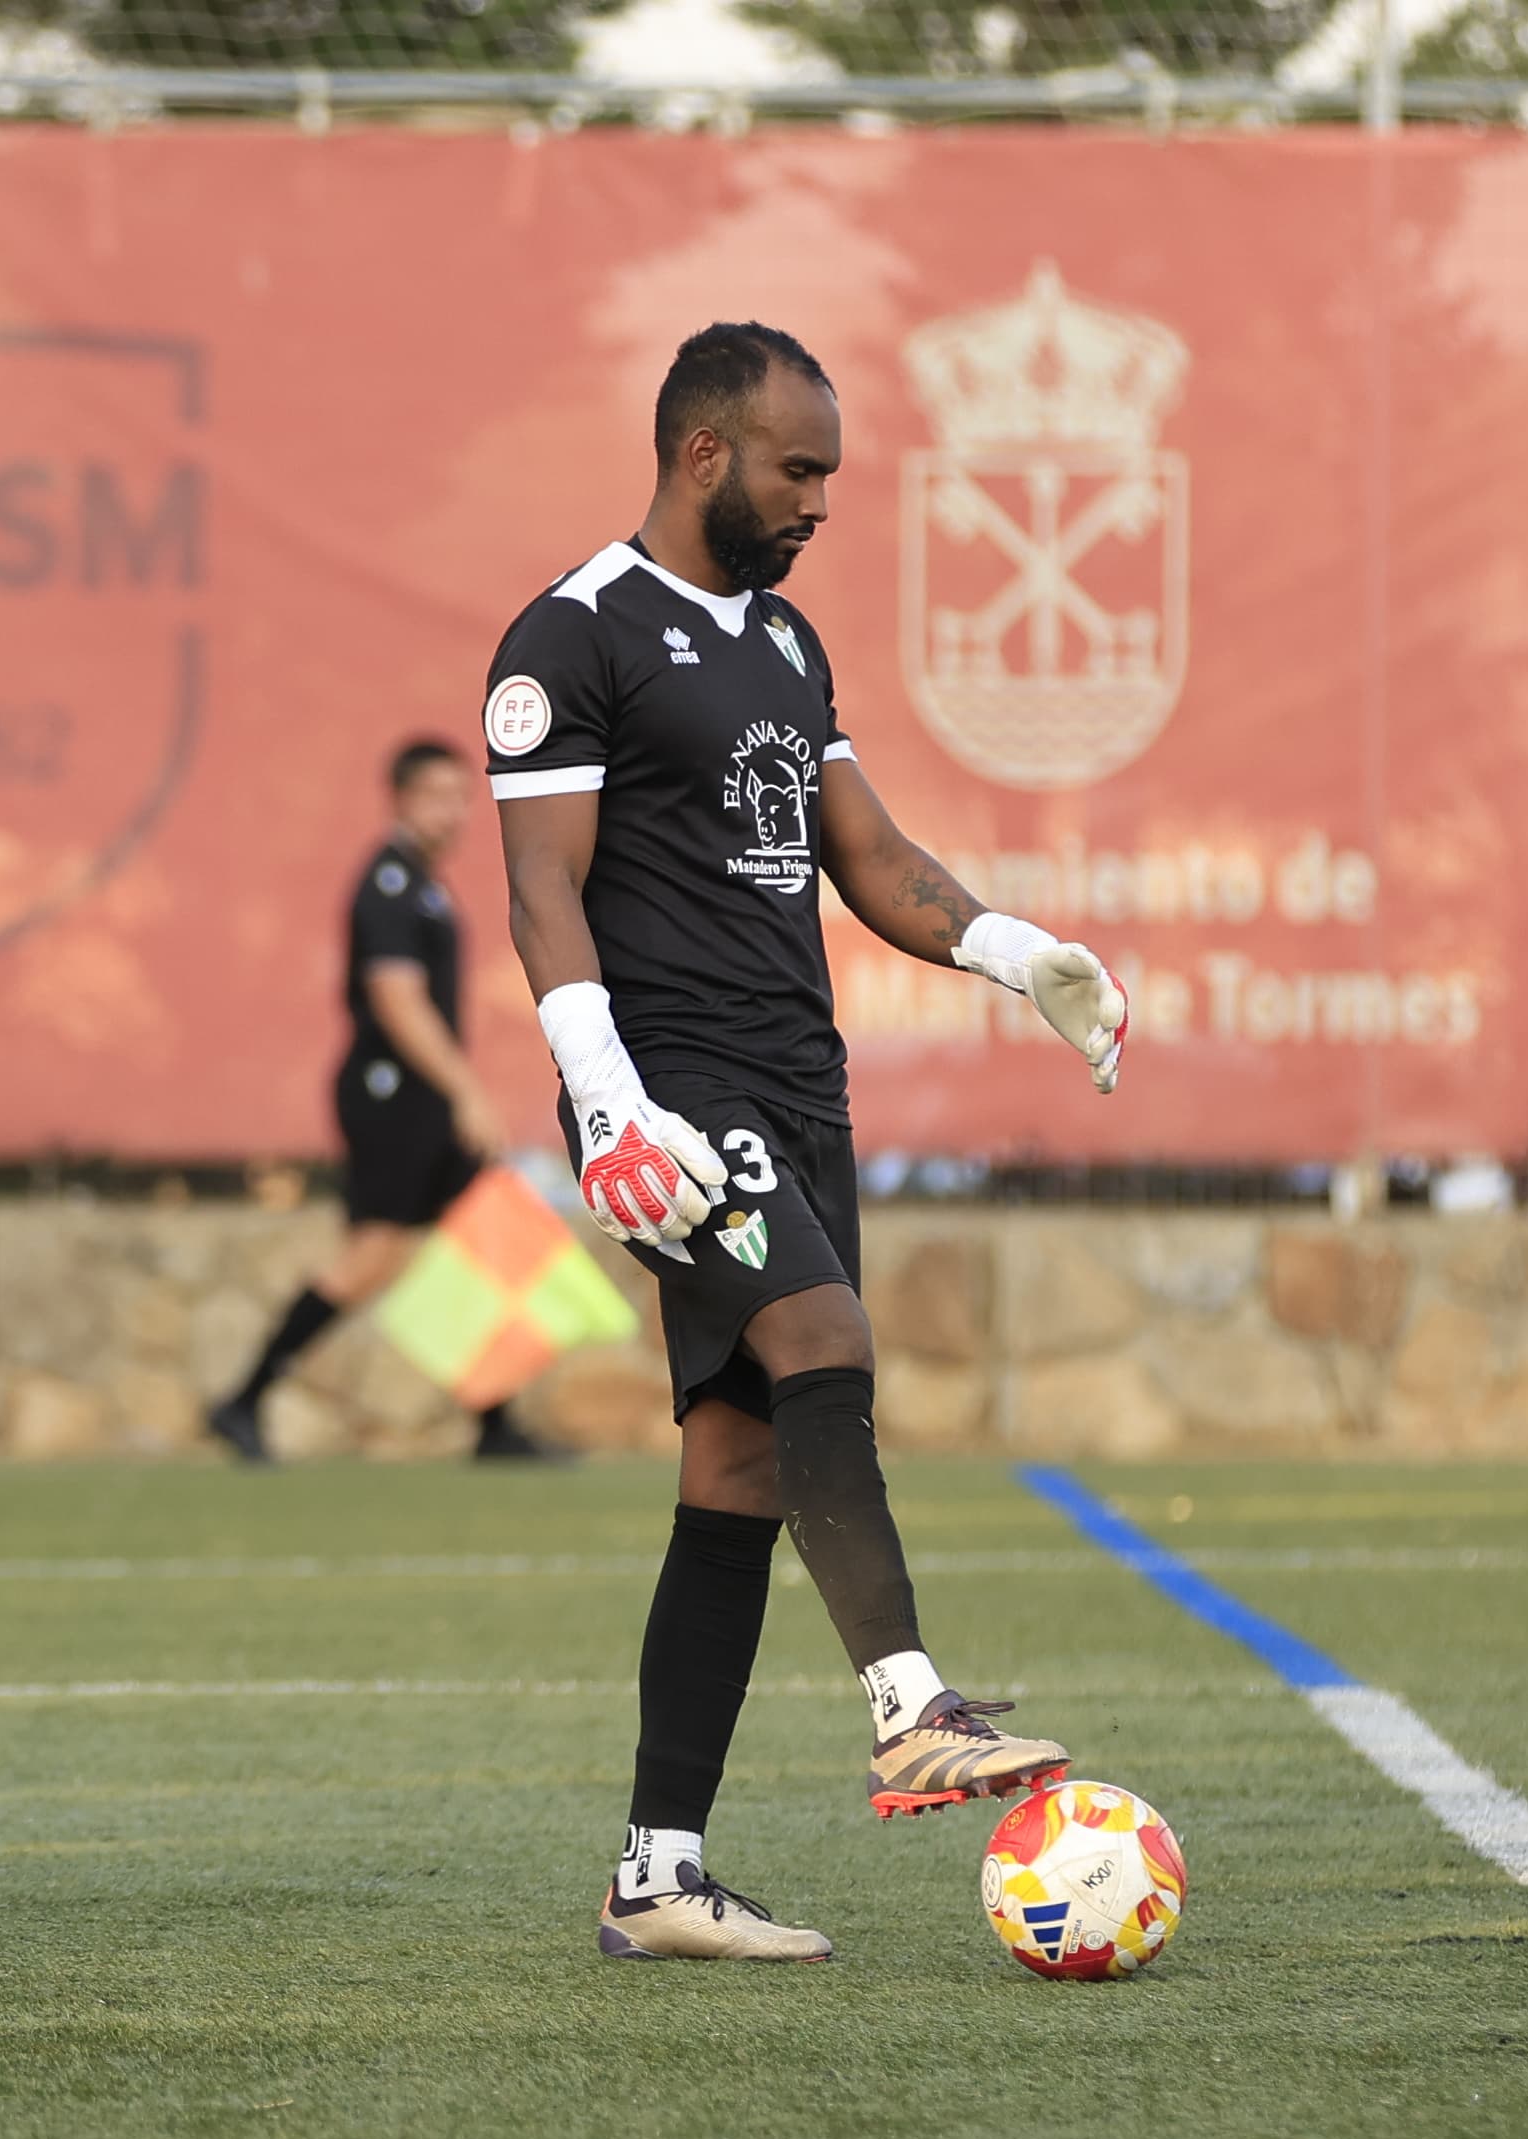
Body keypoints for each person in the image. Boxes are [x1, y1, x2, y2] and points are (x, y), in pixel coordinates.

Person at [483, 322, 1131, 1963]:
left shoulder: (781, 642)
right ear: (701, 452)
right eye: (798, 467)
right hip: (665, 1088)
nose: (820, 500)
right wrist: (604, 1101)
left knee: (738, 1466)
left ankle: (655, 1874)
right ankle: (908, 1704)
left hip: (795, 1084)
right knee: (820, 1336)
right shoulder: (571, 637)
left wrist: (1005, 949)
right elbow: (539, 884)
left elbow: (866, 852)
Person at [209, 736, 557, 1466]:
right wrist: (466, 1090)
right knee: (375, 1255)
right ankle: (243, 1400)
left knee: (484, 1238)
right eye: (437, 795)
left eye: (463, 796)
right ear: (400, 798)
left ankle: (494, 1424)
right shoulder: (390, 884)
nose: (454, 811)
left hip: (423, 1096)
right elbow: (396, 1002)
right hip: (394, 1095)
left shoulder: (426, 885)